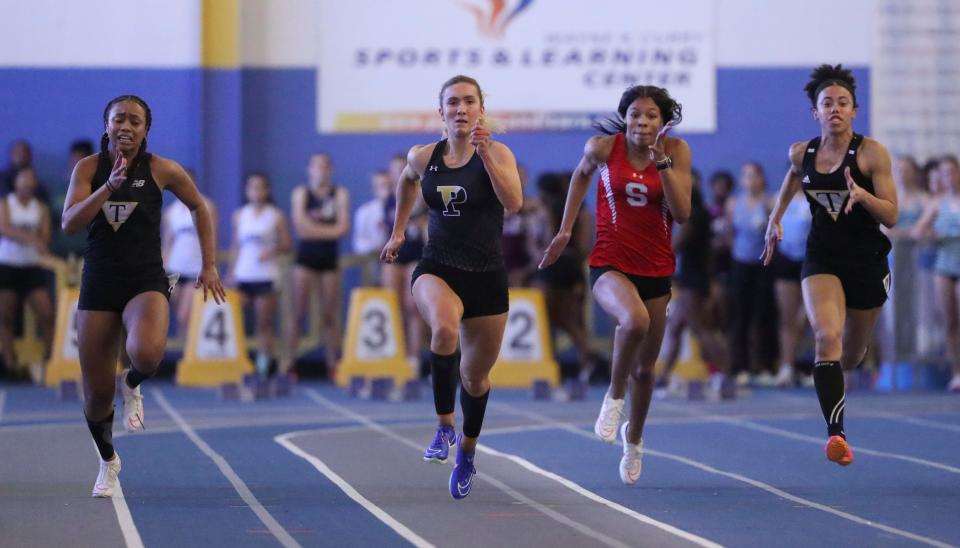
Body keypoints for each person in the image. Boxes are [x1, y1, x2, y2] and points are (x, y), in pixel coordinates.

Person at [61, 95, 224, 497]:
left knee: (148, 353)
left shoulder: (162, 169)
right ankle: (108, 462)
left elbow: (199, 208)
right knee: (96, 395)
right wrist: (108, 189)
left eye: (135, 121)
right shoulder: (88, 169)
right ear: (106, 126)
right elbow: (68, 223)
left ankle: (132, 382)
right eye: (119, 120)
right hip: (99, 282)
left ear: (146, 130)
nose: (127, 127)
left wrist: (209, 264)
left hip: (145, 280)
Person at [540, 84, 692, 485]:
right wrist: (565, 230)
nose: (642, 122)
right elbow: (580, 177)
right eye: (635, 115)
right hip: (610, 261)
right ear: (625, 117)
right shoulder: (603, 149)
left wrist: (662, 166)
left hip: (657, 267)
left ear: (662, 121)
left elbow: (683, 212)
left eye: (651, 116)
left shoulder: (676, 152)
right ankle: (612, 397)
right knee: (634, 321)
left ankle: (635, 441)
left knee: (645, 370)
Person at [381, 75, 522, 499]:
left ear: (481, 109)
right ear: (440, 111)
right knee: (444, 327)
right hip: (437, 264)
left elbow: (513, 203)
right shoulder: (424, 156)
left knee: (475, 379)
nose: (461, 109)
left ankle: (467, 453)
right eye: (453, 103)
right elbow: (407, 181)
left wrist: (485, 155)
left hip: (487, 275)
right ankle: (444, 426)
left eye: (469, 102)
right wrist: (399, 231)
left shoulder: (497, 152)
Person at [762, 65, 897, 466]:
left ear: (854, 110)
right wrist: (775, 217)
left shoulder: (871, 153)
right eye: (827, 104)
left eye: (842, 103)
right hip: (822, 256)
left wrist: (863, 196)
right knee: (825, 337)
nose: (835, 109)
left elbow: (892, 215)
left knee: (851, 355)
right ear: (814, 113)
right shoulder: (800, 152)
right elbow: (792, 176)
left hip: (867, 259)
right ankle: (836, 435)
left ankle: (857, 349)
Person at [657, 180, 731, 397]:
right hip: (693, 278)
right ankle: (662, 379)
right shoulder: (700, 216)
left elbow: (675, 246)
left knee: (700, 329)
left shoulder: (692, 218)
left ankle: (725, 375)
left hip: (693, 280)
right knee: (676, 327)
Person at [286, 153, 349, 377]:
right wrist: (328, 231)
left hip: (329, 259)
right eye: (316, 166)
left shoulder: (339, 194)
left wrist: (315, 230)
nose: (320, 170)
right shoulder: (301, 193)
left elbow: (343, 229)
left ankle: (333, 364)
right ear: (309, 169)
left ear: (330, 169)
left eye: (324, 166)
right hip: (305, 258)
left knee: (330, 314)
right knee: (298, 313)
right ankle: (289, 363)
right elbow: (300, 228)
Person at [227, 173, 291, 377]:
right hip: (243, 275)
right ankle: (238, 362)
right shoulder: (240, 215)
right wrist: (230, 273)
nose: (256, 191)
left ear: (267, 190)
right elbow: (236, 246)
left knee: (264, 323)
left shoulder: (276, 215)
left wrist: (272, 250)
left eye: (260, 187)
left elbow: (287, 244)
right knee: (236, 322)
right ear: (247, 191)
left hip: (265, 275)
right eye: (252, 187)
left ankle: (264, 365)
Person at [0, 167, 54, 380]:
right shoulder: (6, 204)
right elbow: (3, 228)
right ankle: (10, 361)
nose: (28, 183)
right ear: (16, 182)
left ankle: (50, 360)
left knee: (47, 313)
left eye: (32, 179)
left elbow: (46, 236)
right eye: (24, 179)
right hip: (7, 265)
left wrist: (38, 240)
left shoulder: (40, 208)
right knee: (6, 315)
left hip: (32, 266)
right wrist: (31, 238)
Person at [727, 161, 778, 387]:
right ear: (742, 180)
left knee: (763, 316)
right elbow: (729, 233)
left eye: (755, 176)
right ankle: (740, 367)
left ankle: (765, 366)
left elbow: (776, 234)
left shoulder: (769, 202)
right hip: (741, 263)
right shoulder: (733, 203)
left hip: (763, 265)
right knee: (740, 317)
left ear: (762, 179)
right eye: (747, 176)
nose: (751, 180)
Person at [912, 156, 960, 391]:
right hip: (944, 266)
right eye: (943, 174)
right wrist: (933, 234)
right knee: (950, 321)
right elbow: (918, 232)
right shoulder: (936, 203)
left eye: (951, 172)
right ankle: (956, 372)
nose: (947, 178)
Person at [380, 154, 430, 374]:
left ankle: (413, 357)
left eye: (403, 168)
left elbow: (428, 228)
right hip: (393, 256)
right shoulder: (387, 199)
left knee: (413, 307)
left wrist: (421, 224)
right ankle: (394, 354)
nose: (398, 173)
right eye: (394, 169)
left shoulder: (421, 195)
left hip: (415, 254)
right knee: (392, 306)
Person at [162, 180, 217, 338]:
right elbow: (167, 242)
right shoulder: (171, 212)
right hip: (174, 268)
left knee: (185, 316)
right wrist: (163, 266)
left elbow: (212, 239)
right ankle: (184, 356)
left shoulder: (206, 206)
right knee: (177, 318)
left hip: (196, 270)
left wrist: (210, 266)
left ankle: (190, 358)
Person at [771, 189, 812, 387]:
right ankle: (786, 367)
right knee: (787, 319)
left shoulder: (818, 197)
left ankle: (819, 367)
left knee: (808, 317)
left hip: (811, 260)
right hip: (786, 261)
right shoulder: (779, 198)